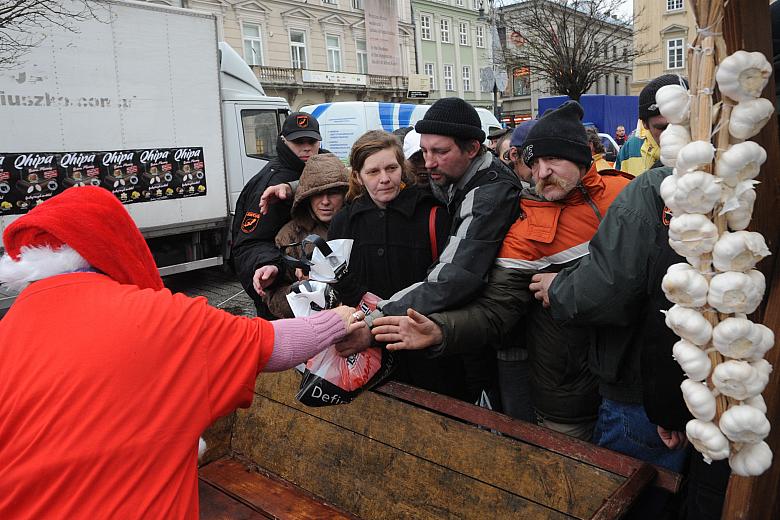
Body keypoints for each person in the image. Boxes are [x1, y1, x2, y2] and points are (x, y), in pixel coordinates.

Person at [0, 186, 364, 518]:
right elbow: (272, 345)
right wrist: (339, 319)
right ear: (122, 244)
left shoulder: (12, 325)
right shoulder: (160, 318)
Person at [372, 101, 632, 436]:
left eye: (553, 158)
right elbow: (496, 308)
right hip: (567, 389)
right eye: (533, 162)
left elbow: (651, 274)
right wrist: (442, 331)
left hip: (632, 379)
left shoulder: (626, 191)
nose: (541, 172)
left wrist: (567, 283)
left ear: (582, 157)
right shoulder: (526, 228)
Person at [327, 130, 470, 399]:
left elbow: (448, 285)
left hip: (428, 356)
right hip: (366, 357)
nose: (384, 179)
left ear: (402, 168)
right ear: (357, 176)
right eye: (373, 172)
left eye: (391, 168)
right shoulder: (344, 222)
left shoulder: (433, 214)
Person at [232, 111, 329, 318]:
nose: (306, 147)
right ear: (284, 141)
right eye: (298, 141)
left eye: (311, 141)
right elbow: (249, 243)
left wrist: (292, 187)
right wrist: (269, 265)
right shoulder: (268, 184)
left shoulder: (326, 166)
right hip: (285, 297)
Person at [264, 153, 349, 318]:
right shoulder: (289, 236)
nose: (325, 201)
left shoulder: (360, 226)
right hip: (312, 330)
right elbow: (273, 297)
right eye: (317, 194)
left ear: (345, 194)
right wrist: (301, 290)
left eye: (333, 193)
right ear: (306, 198)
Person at [615, 74, 685, 177]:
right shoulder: (629, 150)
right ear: (644, 124)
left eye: (680, 124)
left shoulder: (711, 148)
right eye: (662, 128)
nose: (671, 133)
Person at [506, 119, 537, 183]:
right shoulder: (499, 190)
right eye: (533, 162)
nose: (543, 172)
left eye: (550, 159)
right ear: (514, 155)